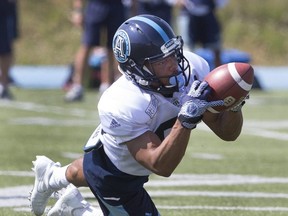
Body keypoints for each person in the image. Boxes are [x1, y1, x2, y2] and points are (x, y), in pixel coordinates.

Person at [30, 15, 246, 216]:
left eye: (173, 52)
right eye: (161, 60)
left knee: (89, 168)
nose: (173, 64)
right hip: (117, 177)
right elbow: (160, 164)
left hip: (110, 155)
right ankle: (76, 212)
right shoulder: (122, 101)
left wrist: (233, 105)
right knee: (100, 173)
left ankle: (51, 177)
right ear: (137, 67)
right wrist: (185, 120)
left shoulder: (194, 67)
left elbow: (227, 133)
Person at [65, 0, 125, 102]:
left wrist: (133, 9)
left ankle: (107, 86)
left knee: (114, 47)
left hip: (116, 5)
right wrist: (78, 10)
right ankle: (77, 86)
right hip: (95, 5)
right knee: (86, 44)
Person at [181, 0, 225, 68]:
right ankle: (187, 73)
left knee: (215, 47)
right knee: (187, 48)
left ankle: (219, 73)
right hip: (188, 14)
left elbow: (221, 3)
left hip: (208, 13)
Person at [0, 0, 19, 100]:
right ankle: (3, 84)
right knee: (5, 49)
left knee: (6, 48)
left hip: (6, 8)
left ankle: (3, 83)